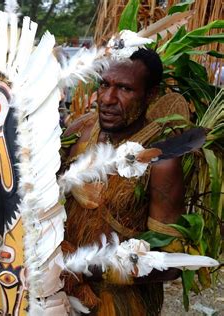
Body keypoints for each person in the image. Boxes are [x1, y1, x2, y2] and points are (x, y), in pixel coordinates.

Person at [61, 48, 185, 315]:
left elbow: (172, 262)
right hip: (59, 293)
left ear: (150, 95)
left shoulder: (161, 161)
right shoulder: (79, 133)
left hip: (122, 304)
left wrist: (97, 269)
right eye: (104, 84)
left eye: (125, 89)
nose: (107, 98)